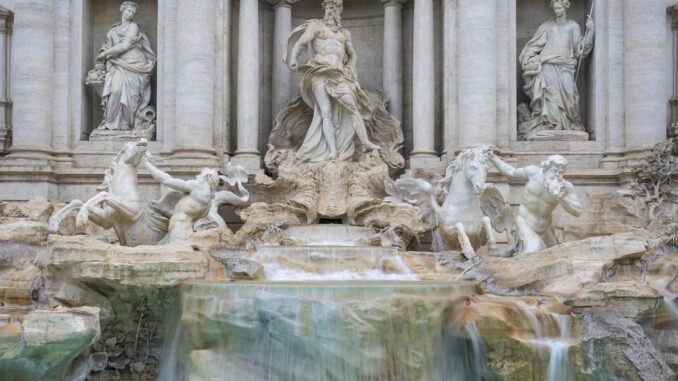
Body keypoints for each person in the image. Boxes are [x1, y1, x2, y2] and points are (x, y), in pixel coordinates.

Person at [284, 0, 380, 162]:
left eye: (334, 8)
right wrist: (293, 58)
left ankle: (365, 142)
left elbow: (353, 54)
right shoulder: (316, 26)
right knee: (325, 112)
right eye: (328, 8)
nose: (331, 11)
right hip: (319, 72)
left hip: (338, 74)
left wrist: (350, 65)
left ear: (339, 11)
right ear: (324, 9)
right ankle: (332, 151)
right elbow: (300, 43)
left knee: (353, 107)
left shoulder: (344, 33)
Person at [519, 0, 594, 139]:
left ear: (566, 7)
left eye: (559, 7)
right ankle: (552, 124)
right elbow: (534, 45)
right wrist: (528, 57)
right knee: (550, 96)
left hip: (566, 65)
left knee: (569, 94)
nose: (557, 10)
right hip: (548, 64)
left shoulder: (573, 26)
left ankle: (569, 123)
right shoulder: (546, 26)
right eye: (555, 7)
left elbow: (580, 49)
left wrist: (590, 32)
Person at [489, 153, 582, 255]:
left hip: (546, 229)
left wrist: (561, 197)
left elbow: (577, 211)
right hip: (525, 223)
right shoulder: (533, 173)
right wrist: (492, 158)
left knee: (554, 256)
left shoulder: (565, 187)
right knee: (534, 251)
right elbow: (510, 172)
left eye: (560, 173)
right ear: (546, 168)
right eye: (554, 171)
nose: (557, 175)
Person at [95, 1, 156, 131]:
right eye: (128, 11)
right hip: (118, 64)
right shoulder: (112, 30)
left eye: (133, 13)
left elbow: (126, 45)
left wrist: (106, 53)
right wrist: (103, 54)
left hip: (135, 64)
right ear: (122, 10)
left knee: (131, 96)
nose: (130, 14)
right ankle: (110, 122)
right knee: (115, 90)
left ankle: (126, 123)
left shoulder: (133, 26)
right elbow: (107, 46)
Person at [144, 159, 219, 243]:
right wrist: (162, 210)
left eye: (200, 174)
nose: (197, 176)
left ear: (207, 177)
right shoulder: (205, 198)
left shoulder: (199, 187)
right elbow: (182, 214)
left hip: (179, 233)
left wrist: (147, 163)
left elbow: (167, 180)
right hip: (180, 232)